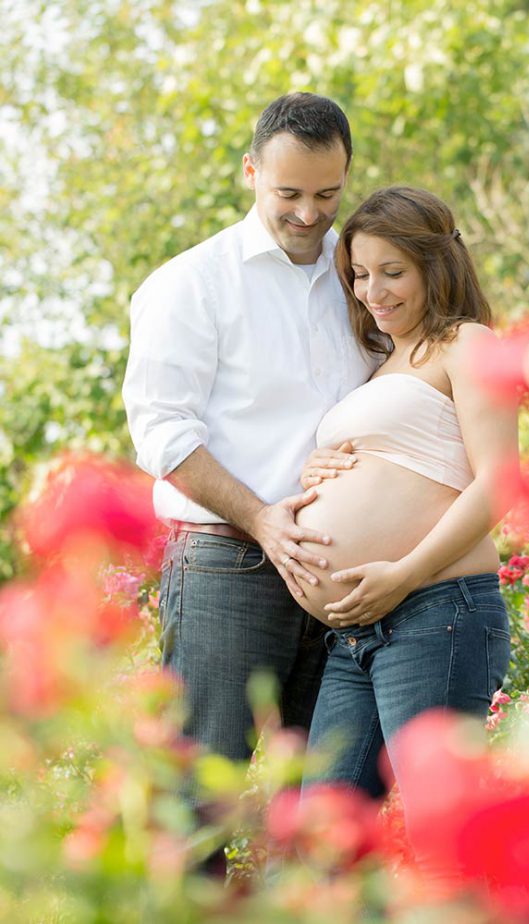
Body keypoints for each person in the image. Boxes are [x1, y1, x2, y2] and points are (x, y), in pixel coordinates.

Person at [122, 93, 376, 770]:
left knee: (326, 797)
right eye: (289, 191)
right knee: (203, 786)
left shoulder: (361, 279)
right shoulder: (191, 284)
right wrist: (262, 518)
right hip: (227, 566)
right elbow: (161, 433)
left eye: (328, 193)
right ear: (250, 171)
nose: (309, 213)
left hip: (340, 575)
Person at [293, 186, 518, 799]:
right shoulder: (377, 367)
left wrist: (405, 574)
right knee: (324, 842)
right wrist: (318, 467)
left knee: (438, 829)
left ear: (435, 265)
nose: (373, 292)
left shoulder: (467, 344)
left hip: (435, 611)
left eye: (393, 272)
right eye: (360, 275)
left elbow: (500, 481)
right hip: (357, 631)